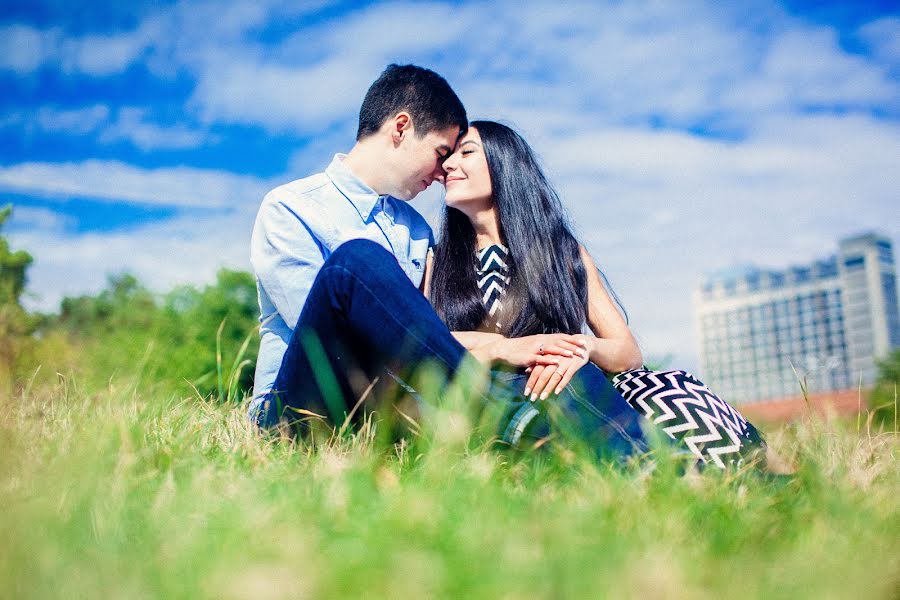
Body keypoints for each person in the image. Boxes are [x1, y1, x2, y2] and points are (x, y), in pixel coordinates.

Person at [248, 64, 647, 459]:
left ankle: (649, 463)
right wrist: (498, 349)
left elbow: (428, 338)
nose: (443, 172)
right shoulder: (292, 208)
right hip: (304, 408)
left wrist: (541, 352)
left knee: (560, 372)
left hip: (395, 412)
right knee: (355, 262)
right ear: (401, 128)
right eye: (441, 153)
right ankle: (500, 417)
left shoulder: (417, 231)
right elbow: (330, 341)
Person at [426, 120, 765, 469]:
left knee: (659, 386)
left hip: (577, 385)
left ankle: (756, 469)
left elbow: (627, 352)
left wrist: (581, 347)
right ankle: (671, 470)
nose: (449, 164)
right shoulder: (437, 261)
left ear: (505, 164)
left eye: (467, 153)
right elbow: (422, 344)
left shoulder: (563, 253)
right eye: (448, 157)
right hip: (502, 400)